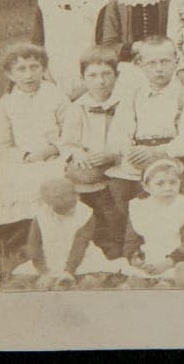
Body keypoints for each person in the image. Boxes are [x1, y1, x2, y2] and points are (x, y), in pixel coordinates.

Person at [104, 36, 184, 218]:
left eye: (165, 62)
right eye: (152, 63)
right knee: (119, 187)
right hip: (137, 155)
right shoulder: (132, 96)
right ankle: (132, 240)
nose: (159, 69)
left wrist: (156, 152)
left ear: (176, 62)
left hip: (171, 157)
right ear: (140, 64)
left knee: (160, 186)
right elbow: (118, 134)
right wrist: (128, 150)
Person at [0, 43, 69, 258]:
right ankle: (18, 239)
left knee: (51, 178)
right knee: (7, 178)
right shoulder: (5, 104)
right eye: (21, 69)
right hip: (21, 159)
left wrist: (50, 150)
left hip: (55, 156)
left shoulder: (56, 95)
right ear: (10, 74)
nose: (29, 75)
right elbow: (3, 145)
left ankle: (50, 240)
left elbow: (70, 132)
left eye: (34, 67)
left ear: (43, 69)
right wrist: (24, 156)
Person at [59, 46, 128, 259]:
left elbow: (129, 134)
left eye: (107, 74)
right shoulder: (77, 108)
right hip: (90, 163)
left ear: (117, 76)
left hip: (116, 159)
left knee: (116, 199)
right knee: (87, 185)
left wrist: (113, 153)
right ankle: (98, 239)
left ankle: (119, 240)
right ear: (83, 78)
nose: (100, 81)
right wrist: (77, 153)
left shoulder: (125, 103)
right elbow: (68, 143)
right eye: (92, 75)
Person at [10, 178, 127, 288]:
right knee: (23, 280)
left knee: (90, 279)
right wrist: (43, 271)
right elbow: (33, 245)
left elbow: (80, 244)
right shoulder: (41, 215)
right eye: (59, 201)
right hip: (49, 256)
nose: (69, 206)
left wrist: (68, 271)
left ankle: (71, 279)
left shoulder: (85, 213)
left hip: (80, 257)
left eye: (72, 197)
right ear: (50, 203)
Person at [32, 0, 109, 98]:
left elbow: (103, 48)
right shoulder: (46, 2)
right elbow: (37, 44)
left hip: (88, 81)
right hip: (50, 78)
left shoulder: (98, 3)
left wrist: (86, 85)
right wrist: (47, 78)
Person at [122, 159, 184, 285]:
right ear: (146, 186)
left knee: (174, 279)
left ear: (180, 183)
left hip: (178, 258)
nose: (168, 188)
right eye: (160, 184)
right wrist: (134, 258)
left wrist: (168, 263)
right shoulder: (139, 208)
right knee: (135, 280)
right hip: (148, 258)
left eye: (173, 183)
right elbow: (131, 240)